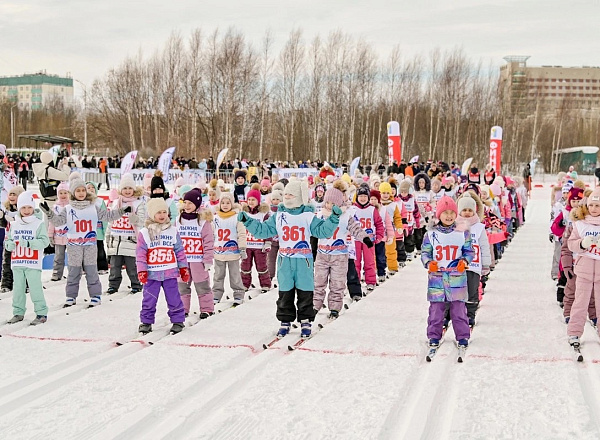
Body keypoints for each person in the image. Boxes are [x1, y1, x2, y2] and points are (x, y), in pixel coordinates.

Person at [239, 179, 341, 339]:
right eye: (285, 194)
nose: (287, 197)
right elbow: (263, 230)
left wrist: (333, 218)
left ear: (299, 197)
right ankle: (285, 321)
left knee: (305, 292)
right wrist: (248, 221)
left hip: (303, 261)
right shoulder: (279, 215)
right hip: (285, 260)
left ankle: (306, 320)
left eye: (290, 194)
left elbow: (322, 231)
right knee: (285, 292)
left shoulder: (308, 215)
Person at [40, 173, 128, 308]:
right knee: (74, 271)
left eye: (83, 190)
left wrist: (122, 211)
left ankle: (95, 296)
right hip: (74, 245)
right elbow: (58, 222)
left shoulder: (93, 207)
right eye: (78, 190)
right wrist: (49, 213)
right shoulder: (68, 209)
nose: (81, 193)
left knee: (91, 270)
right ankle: (70, 297)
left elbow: (108, 216)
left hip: (90, 245)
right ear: (73, 193)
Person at [421, 196, 475, 350]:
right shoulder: (431, 234)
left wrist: (464, 262)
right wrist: (428, 263)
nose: (449, 216)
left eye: (452, 212)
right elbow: (425, 252)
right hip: (437, 278)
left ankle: (463, 336)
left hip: (456, 278)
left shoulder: (462, 232)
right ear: (439, 214)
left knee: (458, 309)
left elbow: (469, 251)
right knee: (436, 310)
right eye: (445, 213)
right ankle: (433, 335)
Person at [314, 180, 371, 317]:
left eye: (333, 204)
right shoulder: (320, 215)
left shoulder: (346, 216)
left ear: (339, 204)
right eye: (327, 202)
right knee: (318, 282)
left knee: (337, 283)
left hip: (339, 255)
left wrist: (365, 238)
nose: (329, 206)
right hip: (322, 253)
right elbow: (312, 230)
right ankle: (315, 305)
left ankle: (334, 307)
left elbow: (356, 229)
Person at [136, 198, 189, 335]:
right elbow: (141, 253)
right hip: (152, 274)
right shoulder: (145, 233)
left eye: (164, 212)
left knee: (173, 297)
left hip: (169, 272)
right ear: (152, 214)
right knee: (149, 298)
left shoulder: (172, 231)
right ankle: (146, 322)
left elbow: (179, 250)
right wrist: (141, 270)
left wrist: (183, 268)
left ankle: (178, 320)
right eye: (158, 212)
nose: (162, 215)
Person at [5, 191, 50, 325]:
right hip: (18, 262)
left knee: (35, 288)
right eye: (23, 207)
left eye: (29, 207)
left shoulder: (38, 223)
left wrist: (30, 244)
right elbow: (8, 242)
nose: (26, 210)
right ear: (19, 208)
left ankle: (41, 312)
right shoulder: (14, 224)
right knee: (18, 289)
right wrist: (10, 245)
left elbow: (44, 242)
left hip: (32, 263)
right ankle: (18, 312)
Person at [176, 188, 215, 319]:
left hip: (198, 260)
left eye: (190, 203)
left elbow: (208, 242)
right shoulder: (178, 220)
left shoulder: (203, 222)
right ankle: (182, 309)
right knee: (182, 286)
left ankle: (207, 309)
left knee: (202, 285)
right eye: (185, 202)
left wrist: (208, 260)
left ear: (197, 205)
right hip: (182, 261)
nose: (187, 206)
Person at [455, 192, 491, 327]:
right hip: (457, 265)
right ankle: (453, 313)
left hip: (474, 266)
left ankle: (470, 315)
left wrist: (486, 264)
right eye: (464, 210)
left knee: (472, 291)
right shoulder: (454, 226)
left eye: (470, 210)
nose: (467, 213)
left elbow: (484, 246)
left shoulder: (479, 227)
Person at [105, 173, 145, 295]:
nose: (127, 191)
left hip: (130, 240)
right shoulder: (116, 203)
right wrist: (108, 236)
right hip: (116, 239)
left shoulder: (138, 204)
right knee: (114, 266)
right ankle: (113, 285)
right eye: (125, 188)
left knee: (132, 266)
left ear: (134, 189)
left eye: (130, 188)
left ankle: (136, 284)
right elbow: (110, 220)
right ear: (121, 190)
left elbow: (143, 220)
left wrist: (135, 219)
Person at [212, 192, 247, 306]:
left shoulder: (236, 217)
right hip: (218, 252)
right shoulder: (215, 217)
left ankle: (238, 294)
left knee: (235, 275)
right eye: (223, 202)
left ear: (232, 204)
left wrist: (242, 248)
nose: (225, 205)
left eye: (228, 202)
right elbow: (212, 234)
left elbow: (241, 234)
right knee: (218, 275)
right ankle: (216, 294)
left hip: (233, 252)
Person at [240, 188, 272, 294]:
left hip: (259, 245)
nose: (250, 202)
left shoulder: (263, 214)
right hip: (247, 245)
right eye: (249, 199)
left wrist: (267, 242)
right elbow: (239, 228)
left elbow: (268, 229)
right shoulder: (244, 213)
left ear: (258, 201)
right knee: (245, 266)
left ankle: (265, 284)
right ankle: (244, 284)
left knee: (261, 265)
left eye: (253, 199)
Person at [0, 185, 25, 292]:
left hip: (22, 242)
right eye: (10, 194)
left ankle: (24, 283)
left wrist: (15, 219)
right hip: (9, 241)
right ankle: (6, 284)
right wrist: (1, 217)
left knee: (21, 264)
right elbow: (3, 225)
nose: (11, 196)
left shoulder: (24, 209)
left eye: (14, 194)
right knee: (7, 263)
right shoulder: (7, 210)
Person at [48, 182, 69, 281]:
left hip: (71, 237)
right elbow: (52, 222)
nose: (63, 195)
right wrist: (50, 235)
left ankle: (74, 272)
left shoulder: (72, 206)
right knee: (58, 257)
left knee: (74, 256)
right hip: (58, 236)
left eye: (65, 193)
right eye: (61, 193)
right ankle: (56, 273)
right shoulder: (55, 207)